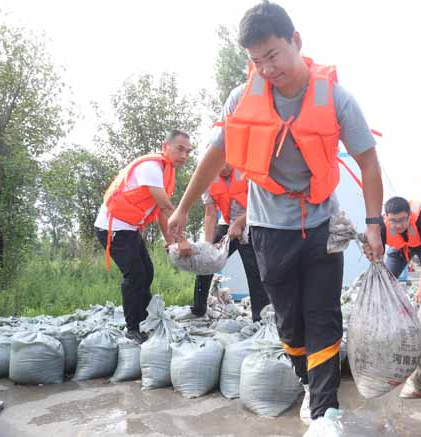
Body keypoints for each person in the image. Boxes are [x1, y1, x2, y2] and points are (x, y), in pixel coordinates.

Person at [168, 2, 384, 434]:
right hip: (269, 230)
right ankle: (307, 381)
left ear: (296, 42)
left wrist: (375, 221)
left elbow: (368, 161)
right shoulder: (241, 98)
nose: (267, 68)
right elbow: (216, 153)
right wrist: (184, 204)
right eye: (256, 60)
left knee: (323, 314)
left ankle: (325, 412)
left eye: (273, 55)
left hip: (324, 226)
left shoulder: (336, 98)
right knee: (288, 321)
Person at [95, 130, 193, 344]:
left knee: (147, 272)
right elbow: (167, 207)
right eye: (180, 149)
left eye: (188, 151)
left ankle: (147, 320)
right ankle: (132, 328)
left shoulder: (166, 172)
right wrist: (182, 240)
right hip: (113, 228)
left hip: (129, 229)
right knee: (135, 275)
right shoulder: (151, 168)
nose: (184, 155)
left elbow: (159, 213)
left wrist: (170, 240)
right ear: (164, 146)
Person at [189, 164, 270, 322]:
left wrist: (239, 223)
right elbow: (210, 213)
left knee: (254, 269)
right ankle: (198, 309)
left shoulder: (247, 170)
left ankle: (259, 318)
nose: (221, 166)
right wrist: (208, 245)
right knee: (206, 261)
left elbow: (259, 204)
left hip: (252, 221)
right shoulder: (207, 177)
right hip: (226, 222)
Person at [380, 196, 421, 304]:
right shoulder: (382, 226)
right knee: (386, 279)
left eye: (402, 219)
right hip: (399, 248)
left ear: (410, 215)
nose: (398, 225)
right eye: (393, 220)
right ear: (386, 217)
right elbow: (378, 259)